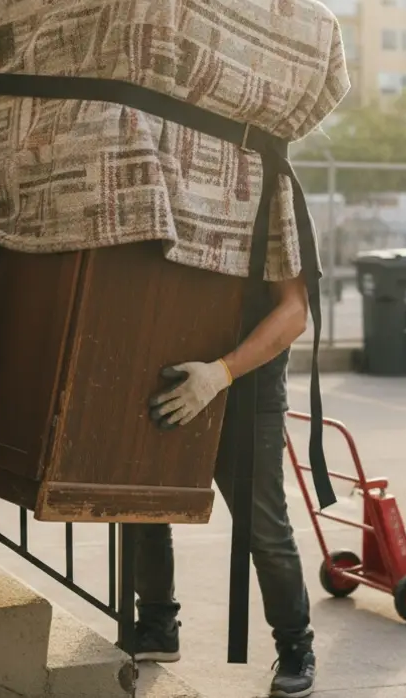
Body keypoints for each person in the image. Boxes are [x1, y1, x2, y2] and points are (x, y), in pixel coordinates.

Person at [140, 275, 317, 698]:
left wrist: (222, 372)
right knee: (142, 503)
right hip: (171, 374)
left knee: (264, 529)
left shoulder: (278, 208)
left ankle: (296, 646)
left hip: (248, 390)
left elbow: (294, 312)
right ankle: (156, 624)